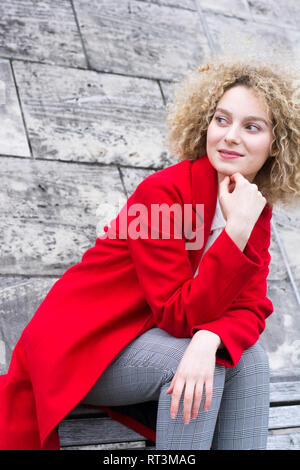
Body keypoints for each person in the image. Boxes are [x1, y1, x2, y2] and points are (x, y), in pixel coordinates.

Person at [1, 56, 300, 451]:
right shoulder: (164, 195)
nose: (229, 136)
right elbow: (177, 313)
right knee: (204, 361)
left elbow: (252, 306)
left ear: (276, 146)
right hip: (84, 345)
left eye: (251, 127)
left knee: (251, 360)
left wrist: (209, 339)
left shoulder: (252, 208)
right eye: (221, 120)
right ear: (205, 124)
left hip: (149, 341)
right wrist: (236, 232)